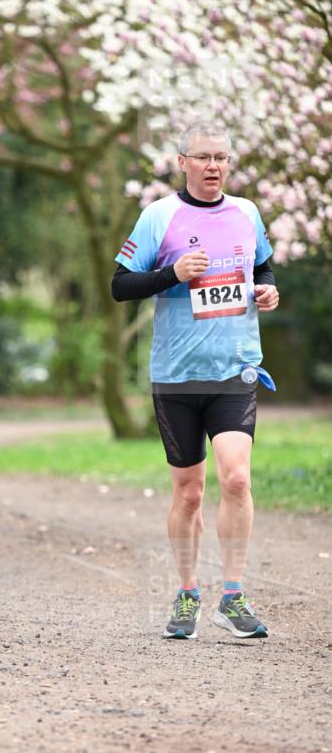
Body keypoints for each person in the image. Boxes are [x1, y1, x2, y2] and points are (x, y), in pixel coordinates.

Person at [112, 123, 279, 641]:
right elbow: (120, 286)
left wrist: (267, 290)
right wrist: (174, 274)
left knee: (237, 479)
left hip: (235, 368)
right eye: (203, 157)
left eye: (221, 158)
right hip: (176, 376)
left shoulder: (247, 212)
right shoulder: (159, 216)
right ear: (182, 162)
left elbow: (264, 268)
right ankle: (187, 592)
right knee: (189, 494)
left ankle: (233, 595)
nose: (213, 166)